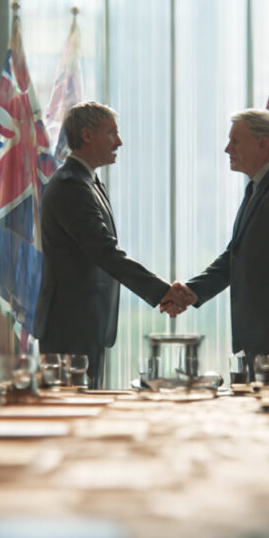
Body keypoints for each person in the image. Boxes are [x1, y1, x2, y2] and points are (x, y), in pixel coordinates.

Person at [36, 101, 185, 388]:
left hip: (86, 325)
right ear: (88, 135)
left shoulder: (88, 182)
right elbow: (104, 251)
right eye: (111, 132)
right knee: (69, 419)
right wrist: (162, 291)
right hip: (69, 328)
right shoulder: (71, 185)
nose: (119, 141)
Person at [163, 109, 269, 368]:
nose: (227, 149)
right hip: (260, 337)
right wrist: (193, 291)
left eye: (235, 141)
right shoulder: (257, 187)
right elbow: (235, 256)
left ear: (262, 143)